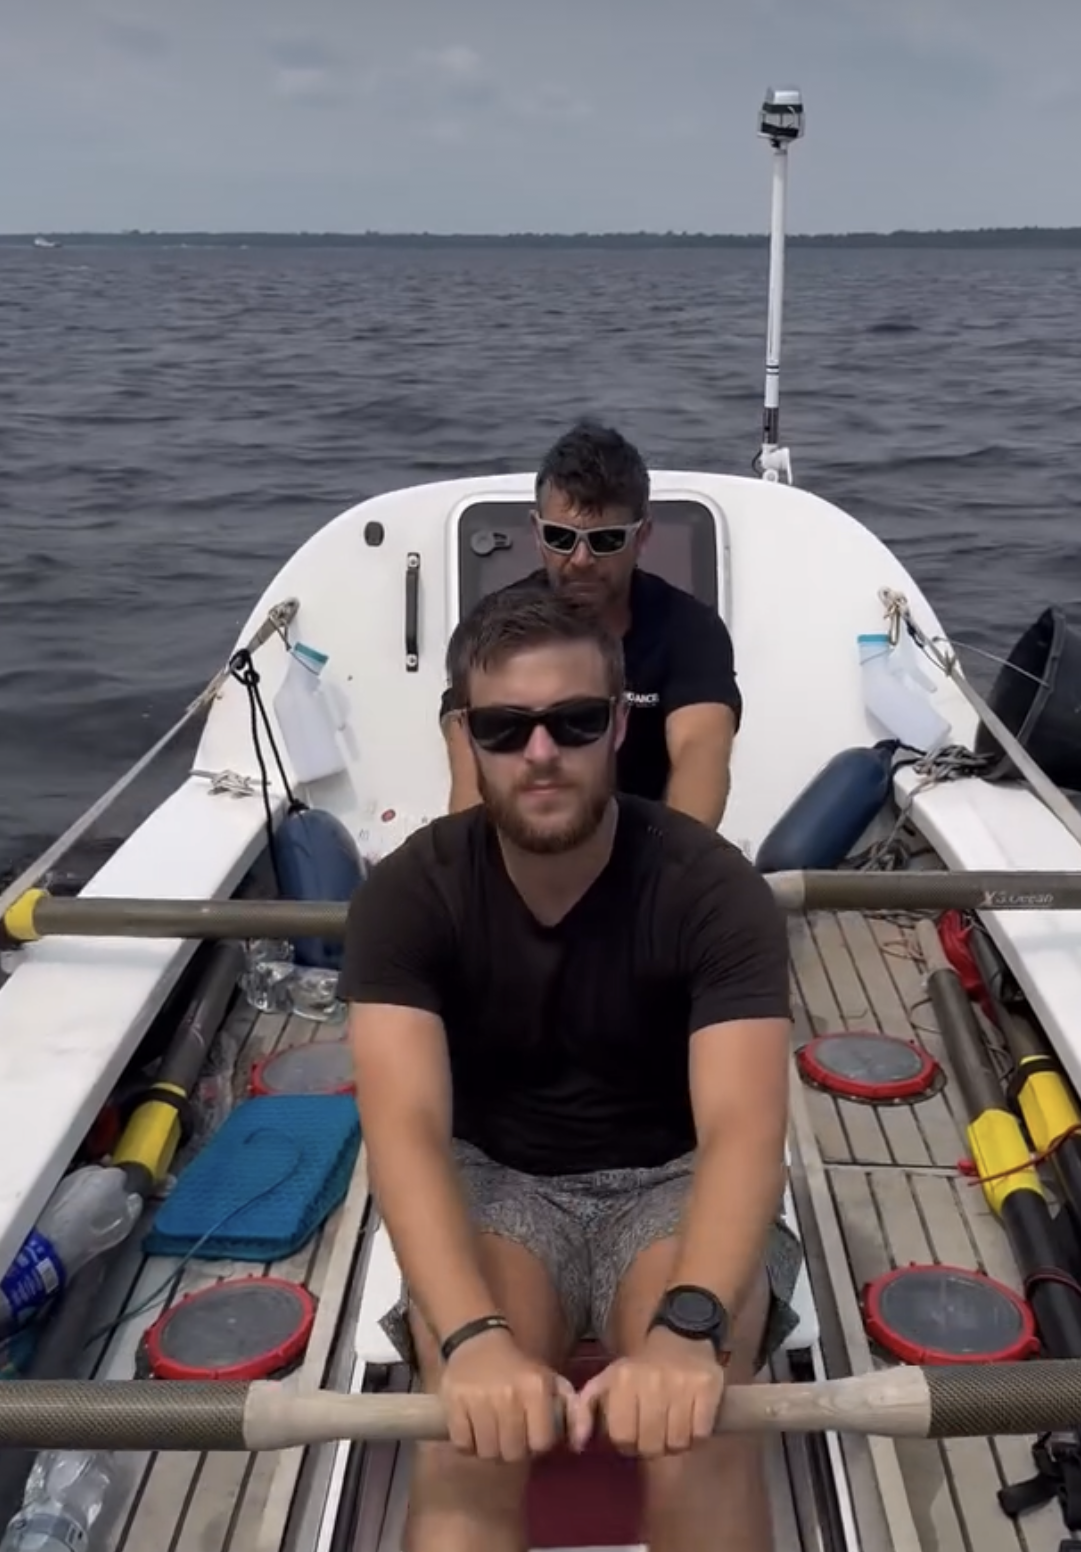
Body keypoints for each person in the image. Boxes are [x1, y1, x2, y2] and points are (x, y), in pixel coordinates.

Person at [342, 585, 800, 1552]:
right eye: (507, 729)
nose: (540, 753)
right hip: (499, 1182)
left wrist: (689, 1328)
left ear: (617, 727)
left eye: (574, 721)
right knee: (469, 1445)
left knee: (701, 1435)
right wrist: (469, 1344)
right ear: (467, 737)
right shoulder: (407, 897)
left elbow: (744, 1133)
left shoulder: (714, 893)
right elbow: (407, 1135)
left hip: (674, 1181)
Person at [440, 419, 741, 828]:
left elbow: (699, 754)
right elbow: (470, 778)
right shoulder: (489, 632)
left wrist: (669, 872)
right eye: (561, 538)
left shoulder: (689, 631)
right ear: (536, 531)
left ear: (643, 535)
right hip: (522, 847)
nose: (581, 559)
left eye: (605, 541)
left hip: (648, 846)